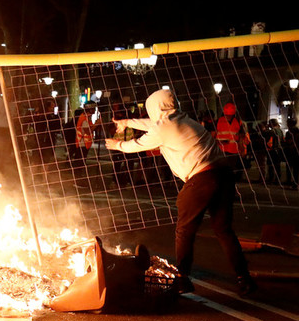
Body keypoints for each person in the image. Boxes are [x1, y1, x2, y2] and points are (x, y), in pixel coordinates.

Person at [105, 89, 257, 296]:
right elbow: (152, 124)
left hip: (201, 179)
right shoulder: (183, 119)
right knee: (224, 230)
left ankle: (182, 279)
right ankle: (244, 279)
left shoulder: (165, 127)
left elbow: (139, 144)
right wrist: (128, 122)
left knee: (184, 231)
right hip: (224, 176)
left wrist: (118, 145)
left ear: (155, 107)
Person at [213, 102, 246, 175]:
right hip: (221, 150)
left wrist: (242, 149)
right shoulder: (218, 121)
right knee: (222, 169)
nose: (229, 117)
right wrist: (220, 142)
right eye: (227, 115)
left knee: (231, 169)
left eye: (230, 115)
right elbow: (212, 137)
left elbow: (240, 137)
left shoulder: (238, 122)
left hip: (234, 151)